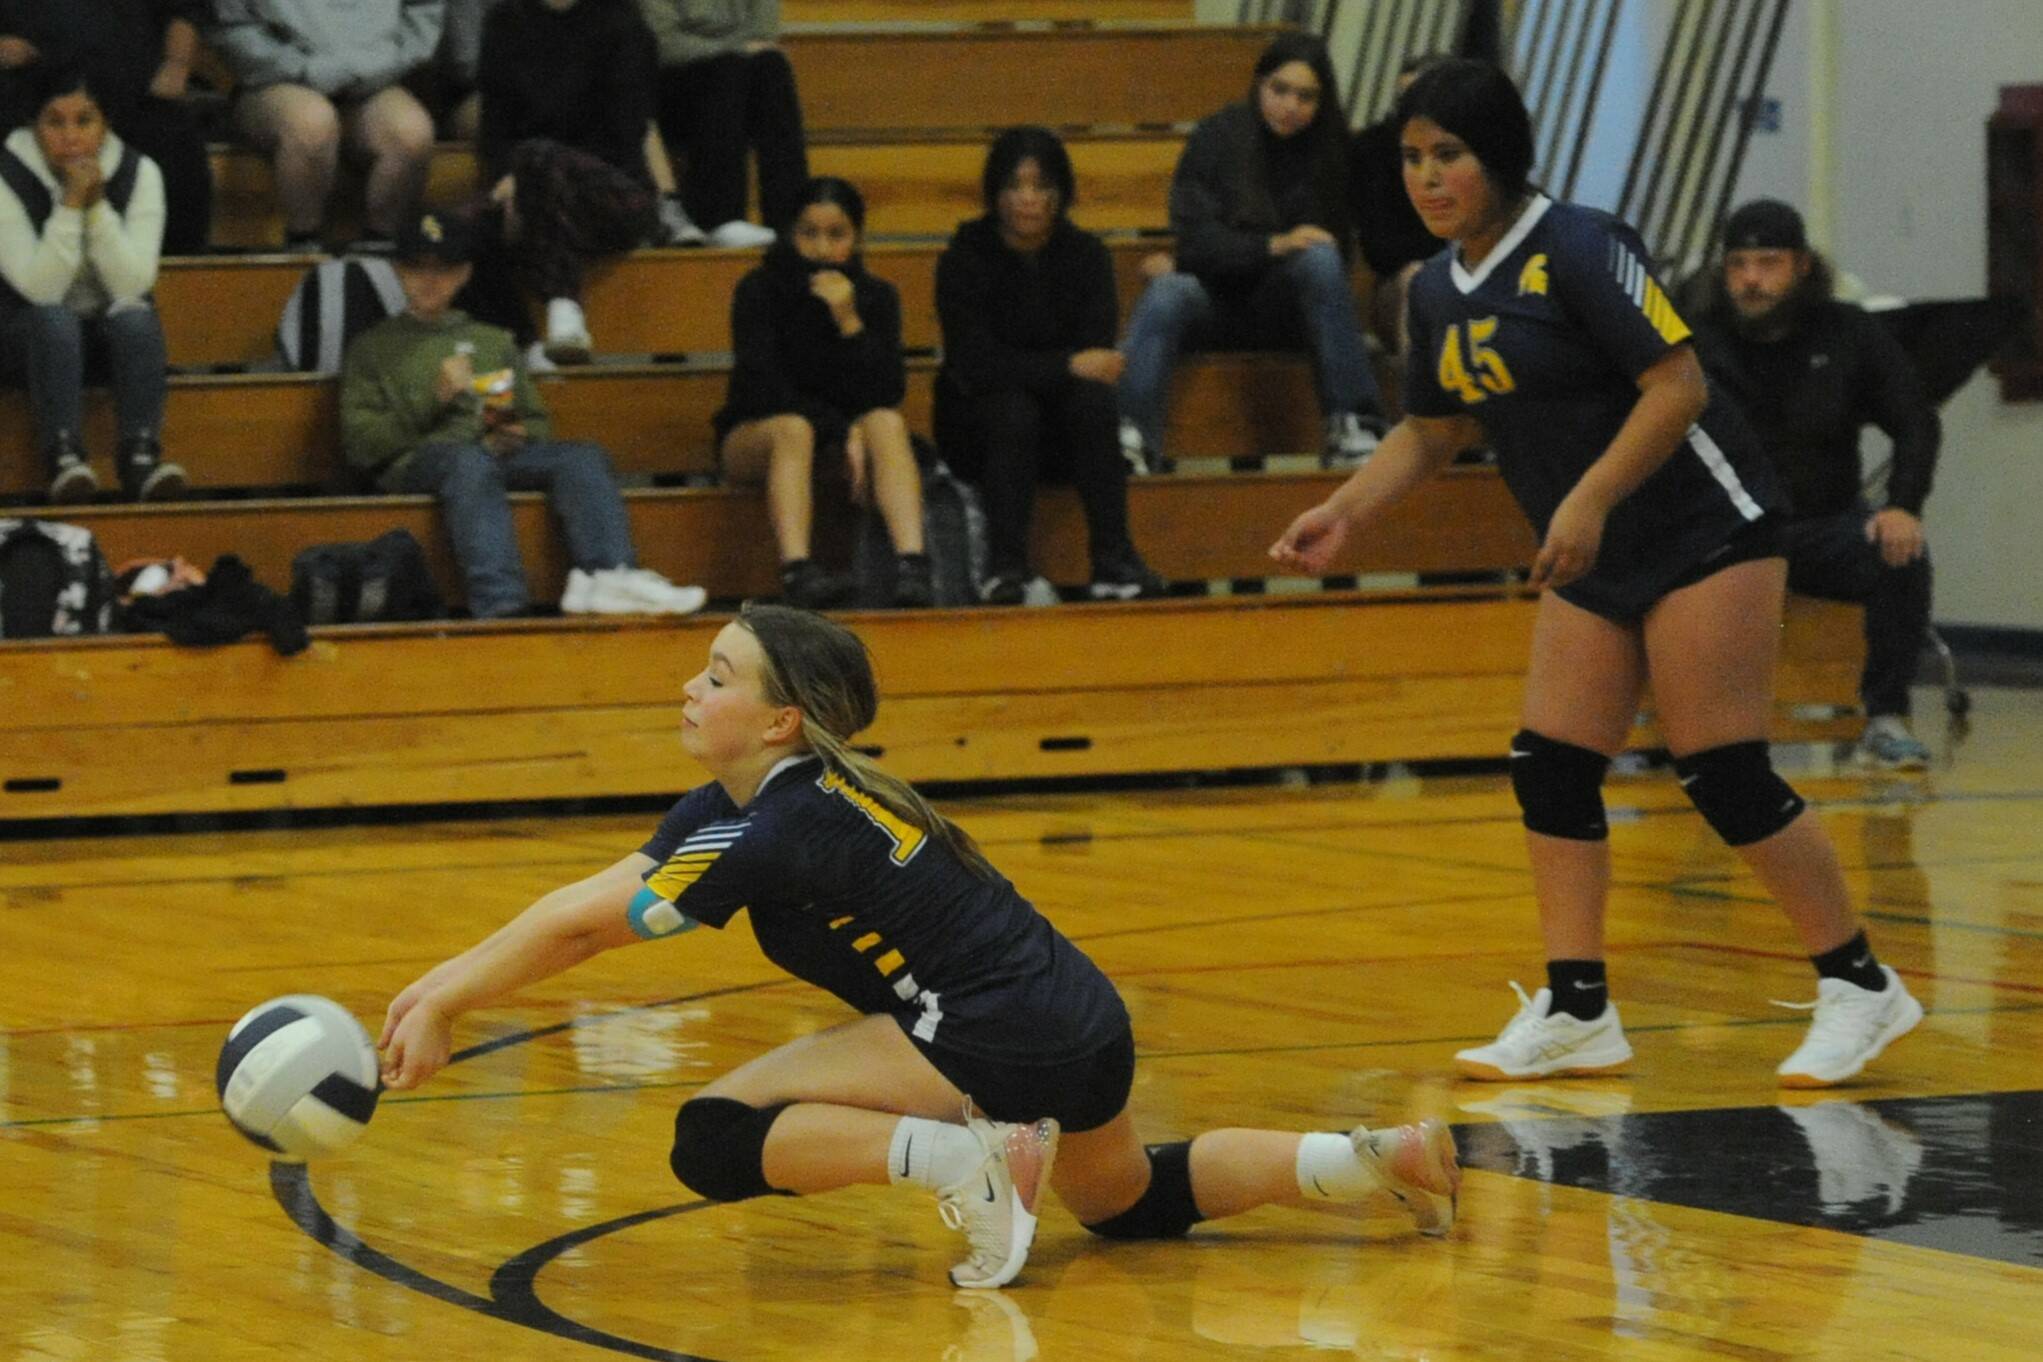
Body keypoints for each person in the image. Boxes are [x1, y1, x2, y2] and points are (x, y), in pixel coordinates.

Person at [379, 603, 1463, 1290]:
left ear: (779, 721)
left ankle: (969, 1159)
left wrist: (449, 1004)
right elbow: (591, 897)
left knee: (712, 1137)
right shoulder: (771, 799)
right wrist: (435, 991)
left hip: (990, 1034)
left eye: (717, 675)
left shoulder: (776, 827)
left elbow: (586, 930)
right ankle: (1373, 1159)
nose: (690, 689)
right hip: (1082, 1018)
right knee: (1127, 1204)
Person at [1271, 60, 1922, 1088]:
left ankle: (1861, 985)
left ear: (1501, 157)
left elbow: (1677, 385)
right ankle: (1579, 1011)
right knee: (1551, 763)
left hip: (1705, 525)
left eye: (1449, 155)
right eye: (1411, 157)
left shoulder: (1579, 244)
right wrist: (1344, 510)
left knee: (1721, 769)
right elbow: (1432, 430)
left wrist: (1586, 500)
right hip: (1597, 549)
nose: (1426, 177)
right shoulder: (1434, 289)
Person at [340, 209, 706, 618]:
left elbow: (535, 420)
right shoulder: (372, 347)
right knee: (468, 463)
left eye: (443, 269)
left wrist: (516, 434)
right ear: (398, 271)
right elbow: (363, 444)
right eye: (417, 268)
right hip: (418, 462)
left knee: (582, 457)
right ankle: (501, 603)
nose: (430, 280)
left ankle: (608, 575)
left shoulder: (491, 340)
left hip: (489, 455)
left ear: (464, 274)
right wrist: (435, 399)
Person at [1689, 199, 1940, 771]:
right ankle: (1679, 732)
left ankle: (1885, 717)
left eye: (1768, 263)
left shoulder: (1848, 331)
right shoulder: (1698, 337)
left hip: (1820, 525)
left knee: (1900, 554)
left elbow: (1915, 421)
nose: (1751, 279)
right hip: (1722, 531)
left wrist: (1903, 505)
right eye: (1738, 265)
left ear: (1802, 266)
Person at [1118, 32, 1387, 476]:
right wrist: (1273, 245)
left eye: (1306, 96)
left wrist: (1261, 251)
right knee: (1168, 291)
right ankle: (1129, 439)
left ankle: (1354, 424)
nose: (1290, 106)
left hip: (1292, 313)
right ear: (1259, 84)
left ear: (1321, 103)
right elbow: (1195, 244)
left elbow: (1335, 260)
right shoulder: (1217, 136)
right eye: (1280, 90)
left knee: (1319, 258)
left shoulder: (1332, 151)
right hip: (1217, 300)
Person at [935, 127, 1166, 606]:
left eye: (1041, 187)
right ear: (994, 192)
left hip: (1064, 429)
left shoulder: (1087, 256)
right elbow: (976, 364)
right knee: (1013, 409)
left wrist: (1059, 369)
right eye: (1014, 186)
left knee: (1093, 402)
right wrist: (1065, 364)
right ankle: (1005, 568)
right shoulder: (965, 256)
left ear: (1061, 193)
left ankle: (1114, 561)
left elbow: (1097, 363)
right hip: (980, 427)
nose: (1028, 199)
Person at [715, 177, 930, 610]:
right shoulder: (759, 289)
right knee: (793, 429)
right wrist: (840, 429)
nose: (822, 248)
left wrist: (849, 322)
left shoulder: (876, 296)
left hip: (843, 439)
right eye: (808, 233)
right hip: (759, 434)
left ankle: (913, 566)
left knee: (887, 422)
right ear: (790, 234)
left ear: (857, 237)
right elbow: (761, 387)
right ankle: (797, 570)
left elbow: (887, 390)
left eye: (837, 235)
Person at [0, 66, 181, 503]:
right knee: (54, 320)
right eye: (54, 122)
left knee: (136, 318)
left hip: (103, 337)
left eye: (84, 121)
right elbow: (39, 288)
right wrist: (69, 205)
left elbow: (132, 283)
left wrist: (97, 209)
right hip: (22, 337)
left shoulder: (141, 174)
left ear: (106, 125)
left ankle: (140, 456)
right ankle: (63, 456)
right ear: (33, 125)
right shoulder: (6, 177)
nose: (70, 137)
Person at [472, 0, 662, 363]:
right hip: (530, 185)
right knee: (466, 228)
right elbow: (494, 127)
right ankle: (526, 344)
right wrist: (506, 177)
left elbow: (625, 136)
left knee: (537, 156)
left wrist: (533, 175)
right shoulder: (504, 23)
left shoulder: (625, 24)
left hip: (617, 194)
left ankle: (564, 302)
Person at [208, 0, 441, 250]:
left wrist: (387, 63)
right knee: (311, 123)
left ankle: (381, 250)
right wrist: (305, 68)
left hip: (377, 76)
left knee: (411, 133)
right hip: (275, 77)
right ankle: (303, 246)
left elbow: (424, 10)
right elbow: (231, 25)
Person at [0, 0, 214, 255]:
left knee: (177, 148)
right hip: (27, 90)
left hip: (137, 90)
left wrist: (177, 64)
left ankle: (176, 266)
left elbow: (186, 9)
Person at [638, 0, 805, 249]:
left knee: (772, 66)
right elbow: (662, 42)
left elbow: (764, 34)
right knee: (727, 68)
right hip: (669, 85)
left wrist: (737, 51)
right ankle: (721, 217)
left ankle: (790, 219)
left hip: (735, 75)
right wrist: (734, 48)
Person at [1350, 53, 1451, 358]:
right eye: (1402, 99)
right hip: (1401, 282)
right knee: (1418, 279)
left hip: (1467, 276)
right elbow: (1380, 250)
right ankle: (1419, 389)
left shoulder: (1473, 151)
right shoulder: (1375, 148)